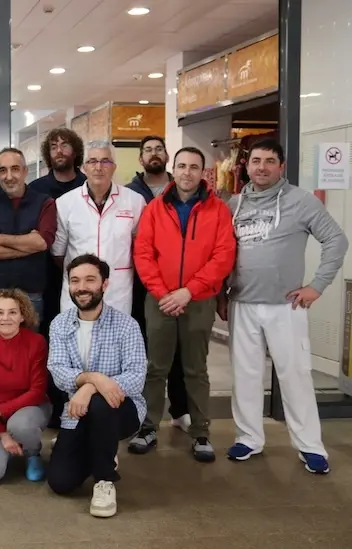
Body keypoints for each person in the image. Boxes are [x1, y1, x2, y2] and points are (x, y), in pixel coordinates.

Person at [222, 139, 348, 474]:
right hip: (243, 302)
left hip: (286, 305)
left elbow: (337, 239)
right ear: (246, 166)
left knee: (295, 375)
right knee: (245, 375)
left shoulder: (300, 201)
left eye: (270, 161)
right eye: (256, 161)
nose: (262, 167)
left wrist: (317, 286)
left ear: (282, 166)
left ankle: (310, 446)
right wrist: (222, 293)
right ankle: (249, 438)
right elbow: (222, 253)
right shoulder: (234, 203)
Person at [130, 147, 236, 462]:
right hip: (159, 300)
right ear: (172, 170)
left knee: (195, 369)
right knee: (154, 368)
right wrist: (163, 293)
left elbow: (223, 256)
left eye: (193, 167)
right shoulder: (154, 209)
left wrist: (188, 292)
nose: (186, 172)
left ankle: (201, 432)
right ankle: (147, 427)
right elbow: (143, 253)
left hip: (199, 301)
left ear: (203, 172)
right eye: (181, 166)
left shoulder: (218, 210)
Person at [46, 254, 147, 519]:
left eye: (90, 280)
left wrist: (92, 386)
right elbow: (57, 372)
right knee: (60, 482)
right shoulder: (59, 324)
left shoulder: (126, 324)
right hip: (77, 411)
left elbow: (137, 377)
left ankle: (105, 480)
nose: (82, 287)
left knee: (101, 403)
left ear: (104, 285)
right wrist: (93, 379)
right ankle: (101, 449)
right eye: (75, 280)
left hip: (122, 410)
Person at [125, 135, 191, 434]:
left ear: (167, 157)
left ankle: (180, 409)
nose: (154, 154)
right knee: (145, 352)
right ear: (140, 159)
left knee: (179, 350)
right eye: (147, 150)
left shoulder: (183, 191)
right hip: (140, 284)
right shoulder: (129, 194)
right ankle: (142, 414)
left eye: (159, 149)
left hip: (180, 285)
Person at [27, 127, 87, 429]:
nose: (59, 150)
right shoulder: (37, 189)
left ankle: (85, 403)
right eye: (53, 146)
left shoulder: (89, 185)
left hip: (85, 283)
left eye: (65, 145)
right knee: (52, 341)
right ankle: (53, 404)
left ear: (75, 151)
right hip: (47, 279)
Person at [51, 140, 147, 316]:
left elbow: (141, 247)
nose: (99, 167)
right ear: (83, 168)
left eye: (105, 161)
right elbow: (58, 253)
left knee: (116, 341)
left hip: (117, 291)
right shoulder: (65, 203)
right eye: (92, 161)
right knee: (78, 340)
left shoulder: (135, 201)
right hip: (78, 291)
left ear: (114, 167)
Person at [0, 289, 50, 485]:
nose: (6, 318)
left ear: (23, 316)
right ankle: (10, 443)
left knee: (20, 426)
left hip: (30, 409)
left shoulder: (37, 342)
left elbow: (37, 392)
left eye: (12, 312)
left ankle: (32, 453)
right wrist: (3, 435)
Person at [0, 147, 56, 328]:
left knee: (31, 350)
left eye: (15, 168)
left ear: (25, 171)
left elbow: (42, 242)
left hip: (31, 294)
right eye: (3, 170)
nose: (9, 176)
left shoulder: (45, 203)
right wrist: (27, 246)